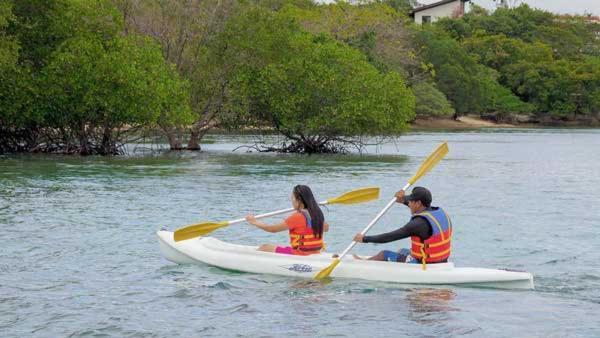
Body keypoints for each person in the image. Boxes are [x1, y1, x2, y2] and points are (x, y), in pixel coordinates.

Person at [353, 187, 452, 268]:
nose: (408, 203)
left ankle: (360, 265)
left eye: (410, 201)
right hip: (441, 260)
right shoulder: (438, 213)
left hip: (425, 264)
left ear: (418, 203)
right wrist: (402, 200)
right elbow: (418, 208)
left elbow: (389, 237)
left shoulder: (417, 224)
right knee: (402, 251)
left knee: (384, 254)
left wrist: (364, 239)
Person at [246, 185, 329, 255]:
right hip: (316, 252)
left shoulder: (297, 217)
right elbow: (326, 228)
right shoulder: (317, 214)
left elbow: (272, 229)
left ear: (298, 200)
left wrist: (254, 222)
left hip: (300, 253)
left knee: (265, 247)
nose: (292, 201)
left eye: (292, 198)